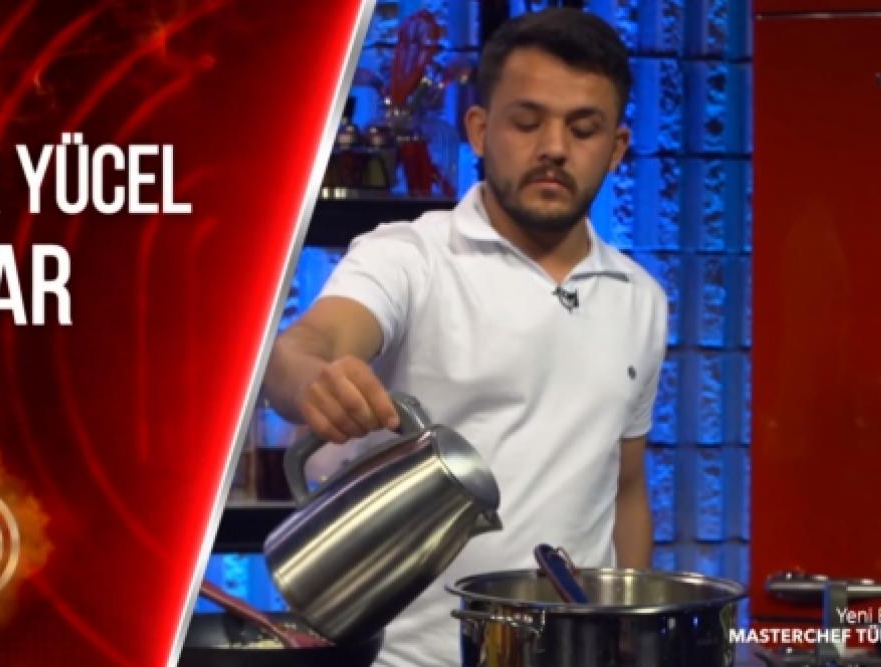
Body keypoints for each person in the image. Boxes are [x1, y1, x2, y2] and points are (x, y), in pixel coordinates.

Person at [264, 8, 666, 666]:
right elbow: (302, 348)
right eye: (527, 122)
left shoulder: (641, 298)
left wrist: (627, 637)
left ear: (618, 147)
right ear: (479, 129)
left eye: (583, 128)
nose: (554, 147)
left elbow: (626, 486)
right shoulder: (409, 257)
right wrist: (313, 380)